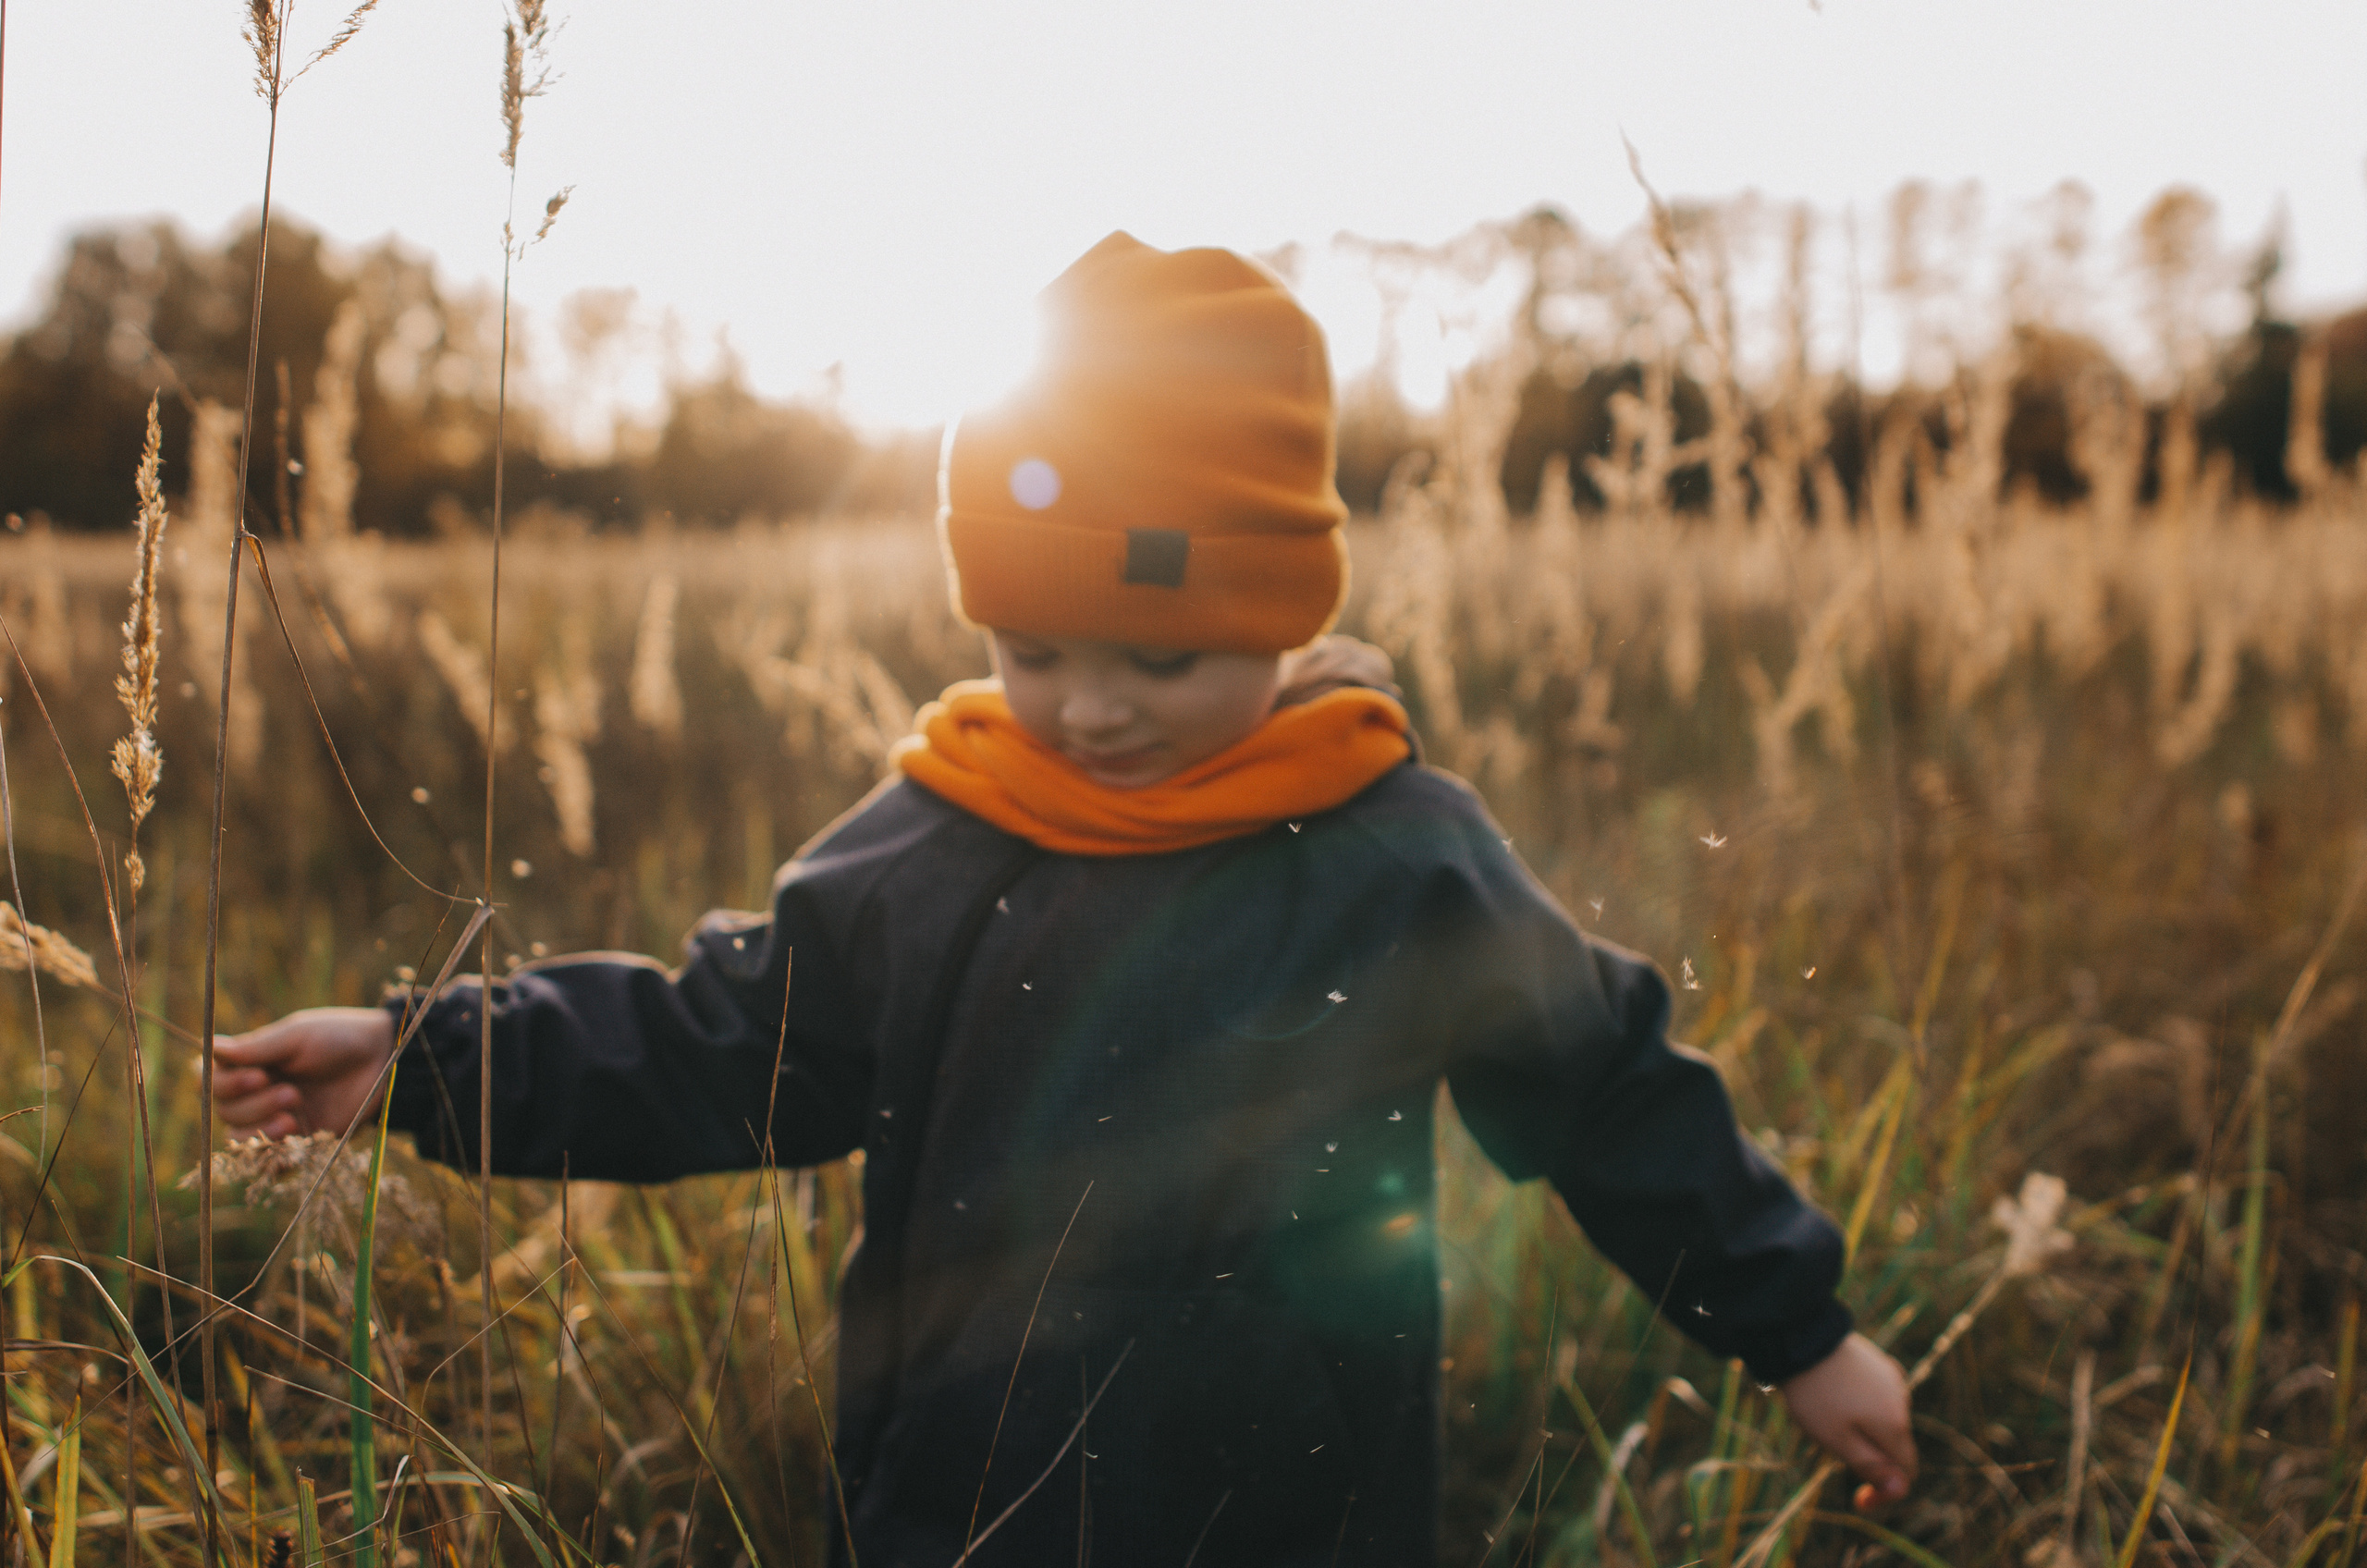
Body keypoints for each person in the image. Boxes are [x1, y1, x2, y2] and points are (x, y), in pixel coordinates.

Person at [214, 233, 1915, 1566]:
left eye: (1160, 658)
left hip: (1295, 1518)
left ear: (1278, 615)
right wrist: (422, 1059)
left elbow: (1606, 1089)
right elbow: (719, 1039)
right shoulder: (934, 842)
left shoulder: (1398, 859)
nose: (1090, 709)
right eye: (1032, 651)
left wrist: (1801, 1334)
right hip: (959, 1512)